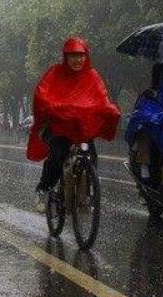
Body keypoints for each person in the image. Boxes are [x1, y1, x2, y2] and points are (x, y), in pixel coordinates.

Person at [26, 36, 121, 211]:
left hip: (81, 130)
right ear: (66, 57)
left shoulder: (92, 76)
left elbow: (102, 98)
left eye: (81, 55)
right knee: (57, 154)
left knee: (91, 156)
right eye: (72, 56)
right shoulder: (55, 73)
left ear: (86, 56)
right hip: (58, 128)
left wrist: (109, 109)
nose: (77, 60)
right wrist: (54, 107)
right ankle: (43, 189)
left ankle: (89, 194)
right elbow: (42, 94)